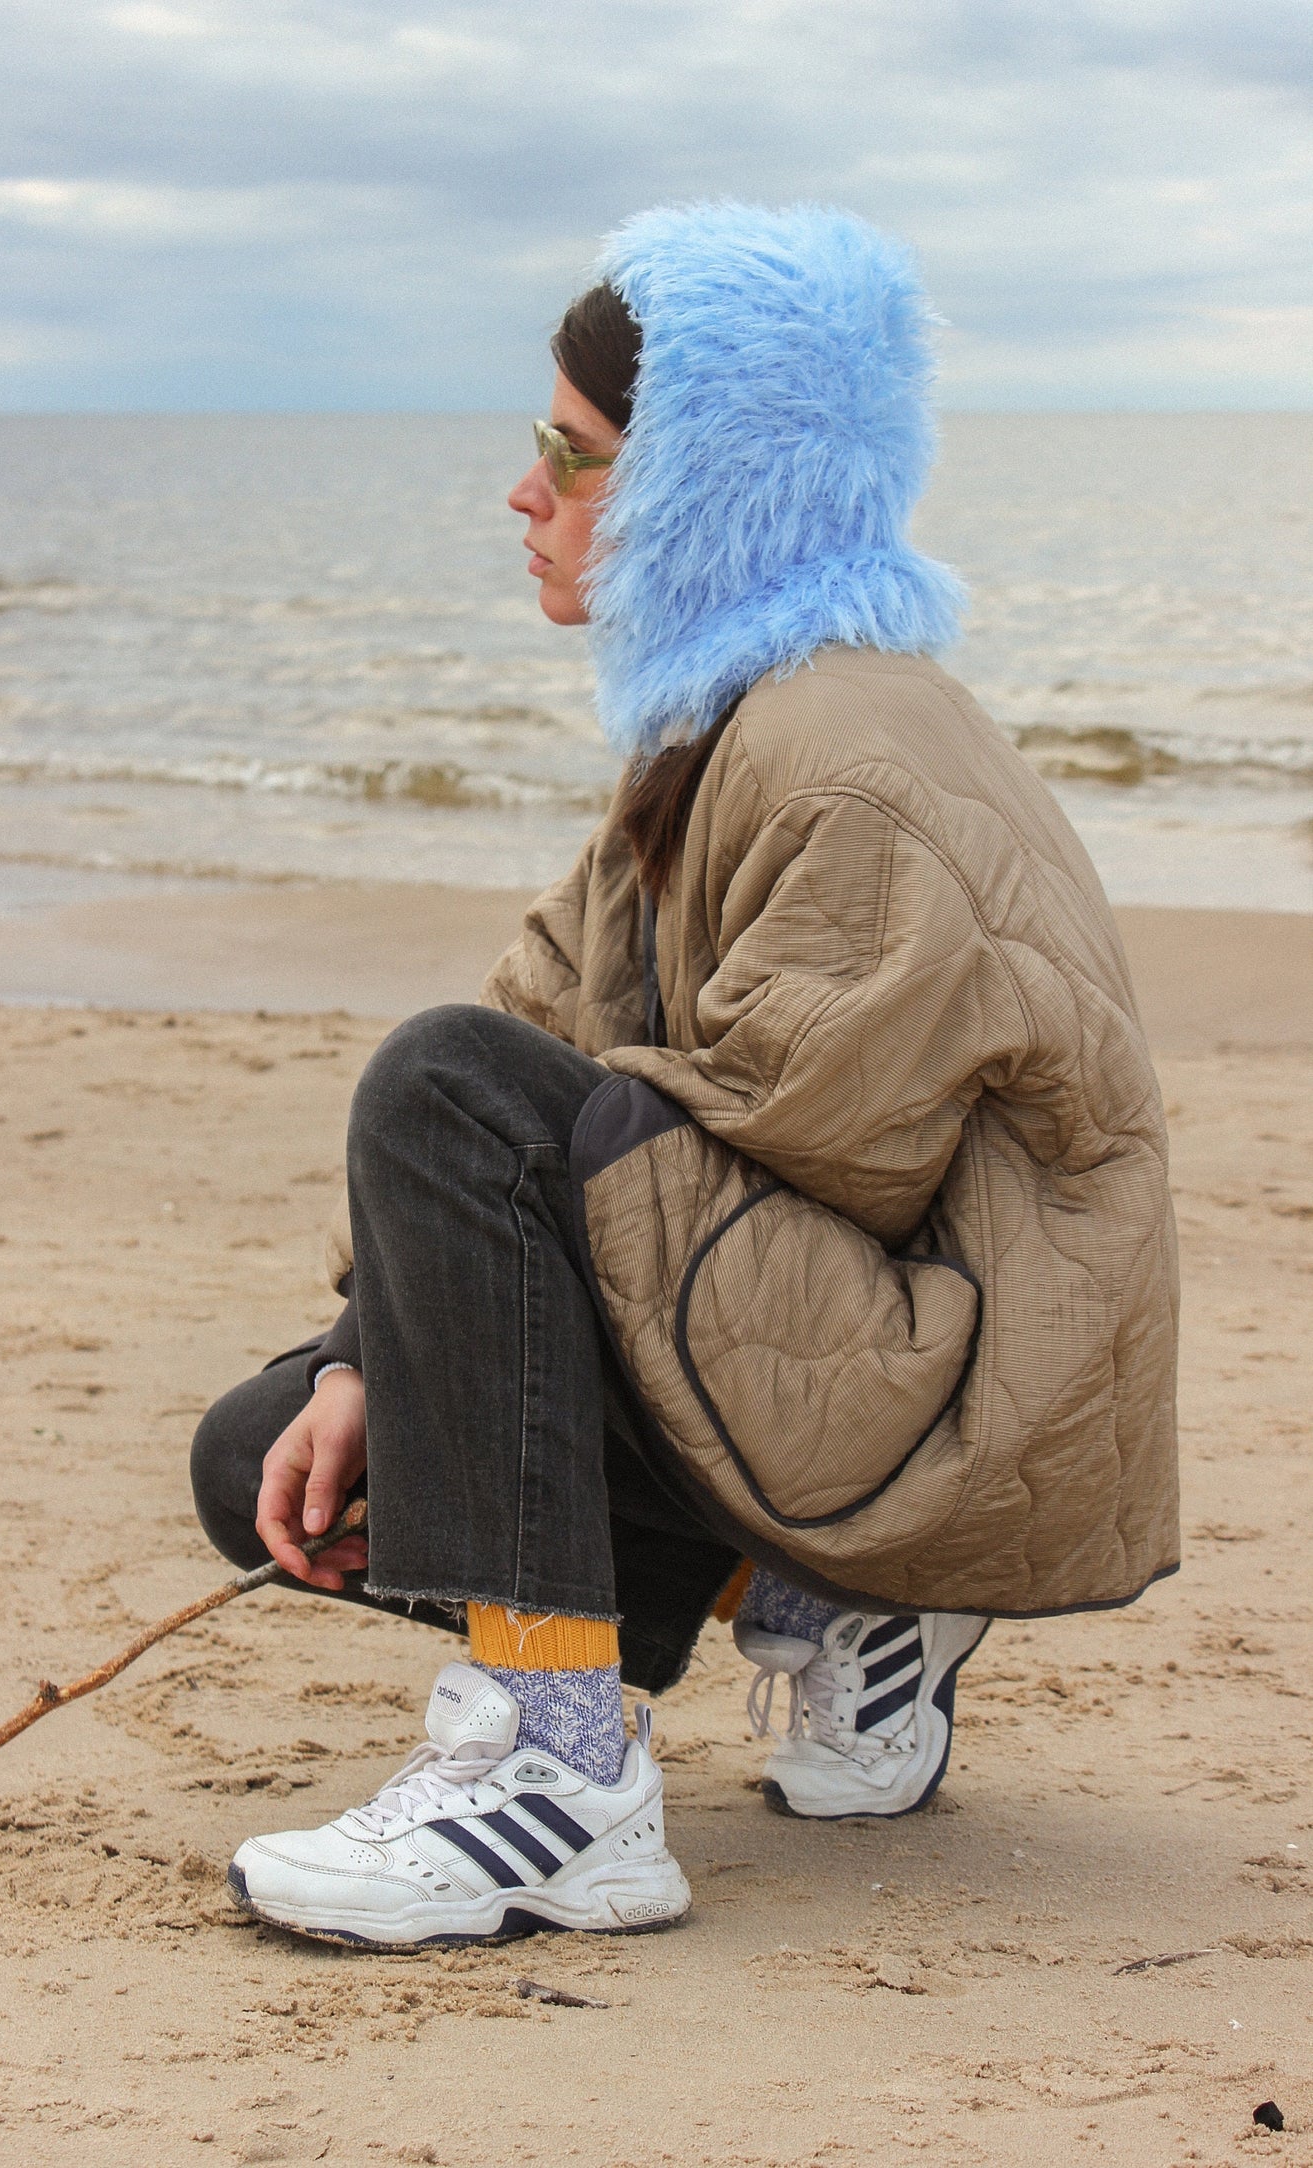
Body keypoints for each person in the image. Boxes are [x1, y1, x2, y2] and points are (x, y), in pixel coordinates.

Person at [190, 202, 1179, 1949]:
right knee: (274, 1460)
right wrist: (369, 1356)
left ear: (702, 490)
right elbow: (557, 1022)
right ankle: (808, 1596)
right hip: (810, 1348)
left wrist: (458, 1296)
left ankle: (559, 1775)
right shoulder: (720, 721)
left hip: (949, 1401)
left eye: (569, 461)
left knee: (439, 1087)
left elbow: (811, 1164)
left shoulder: (849, 758)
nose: (524, 497)